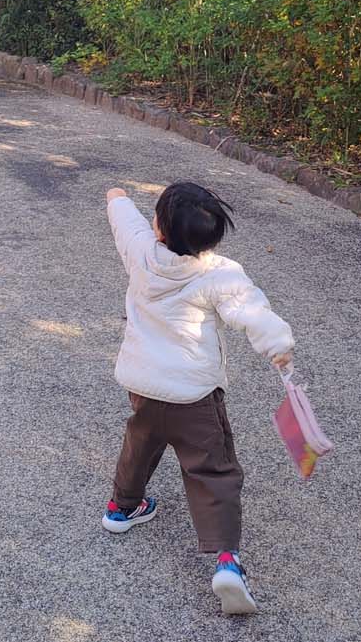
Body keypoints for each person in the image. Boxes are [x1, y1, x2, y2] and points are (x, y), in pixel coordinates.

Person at [102, 181, 294, 617]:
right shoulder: (220, 274)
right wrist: (278, 347)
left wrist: (116, 196)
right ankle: (227, 560)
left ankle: (121, 507)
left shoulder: (143, 253)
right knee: (212, 467)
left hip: (143, 384)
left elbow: (125, 224)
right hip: (193, 394)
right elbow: (252, 312)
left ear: (159, 228)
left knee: (142, 441)